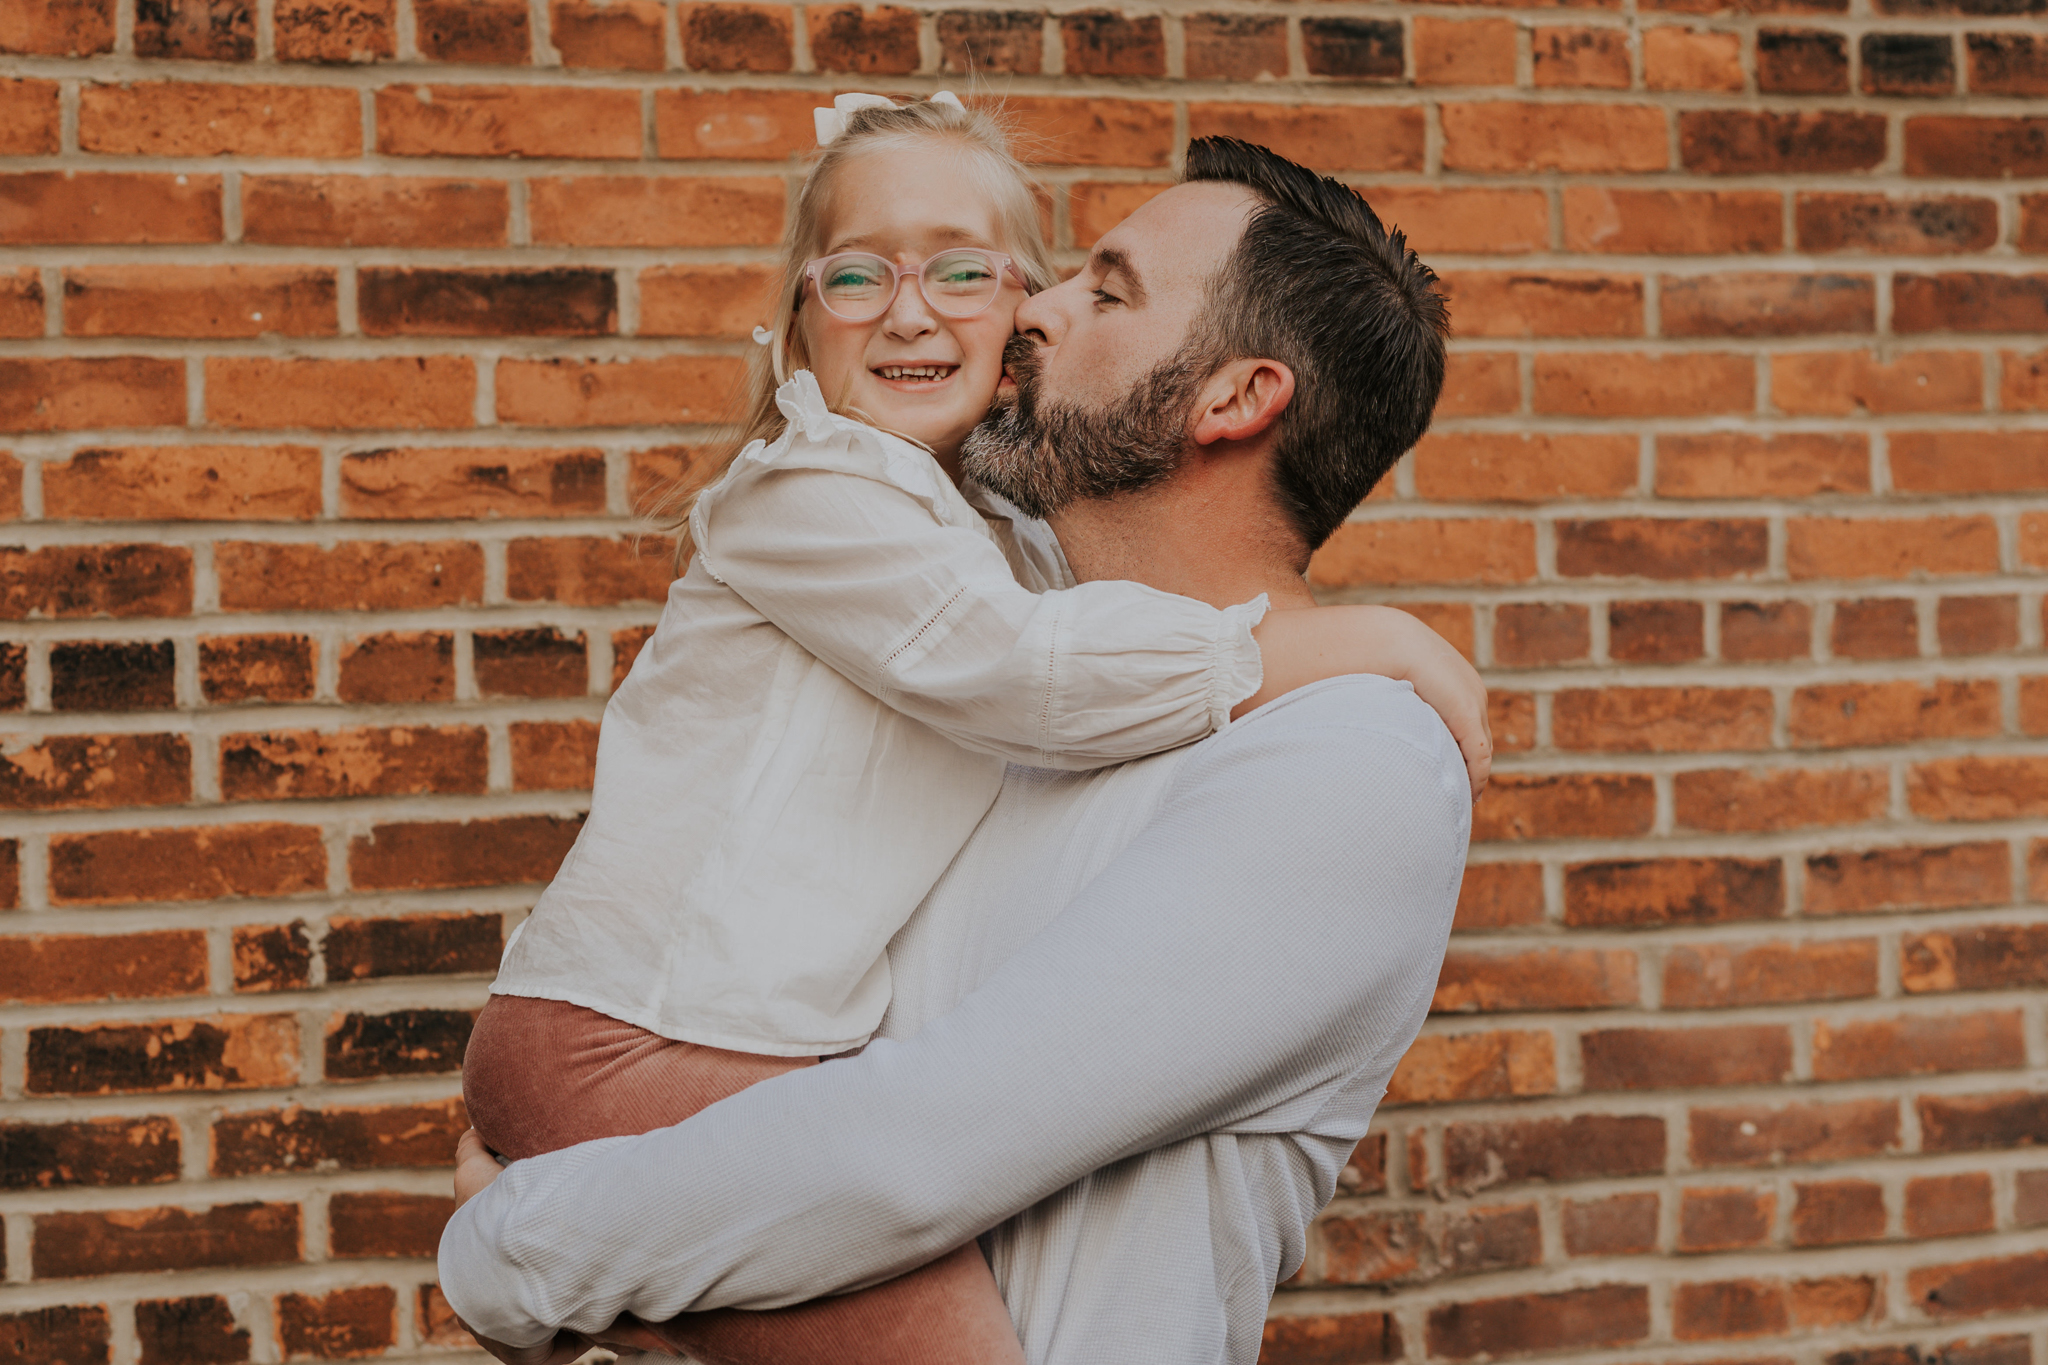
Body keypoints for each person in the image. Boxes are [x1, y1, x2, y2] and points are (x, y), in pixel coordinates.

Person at [456, 97, 1485, 1364]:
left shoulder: (1345, 759)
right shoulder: (979, 670)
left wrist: (518, 1244)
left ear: (1233, 396)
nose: (1033, 309)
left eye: (1102, 294)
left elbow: (898, 1155)